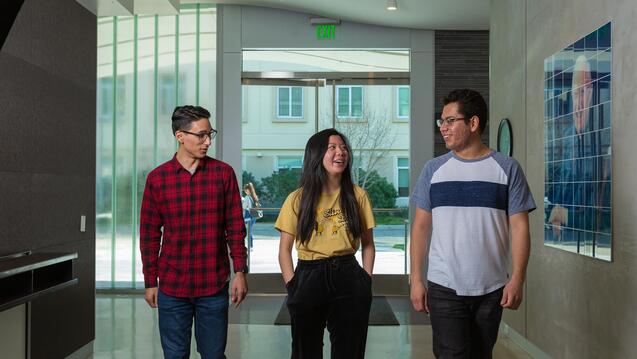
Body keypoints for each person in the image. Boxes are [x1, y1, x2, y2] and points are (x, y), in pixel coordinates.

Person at [410, 89, 536, 358]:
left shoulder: (507, 168)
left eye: (450, 121)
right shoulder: (433, 170)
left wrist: (517, 279)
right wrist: (416, 279)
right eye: (441, 122)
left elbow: (520, 228)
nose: (443, 128)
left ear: (473, 123)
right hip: (444, 285)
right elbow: (420, 228)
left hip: (491, 288)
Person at [140, 105, 248, 359]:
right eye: (201, 135)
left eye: (210, 134)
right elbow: (149, 235)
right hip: (172, 287)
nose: (208, 141)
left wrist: (240, 271)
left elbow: (235, 228)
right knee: (175, 355)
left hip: (213, 285)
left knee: (213, 355)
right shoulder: (157, 179)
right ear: (180, 136)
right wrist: (149, 281)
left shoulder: (223, 174)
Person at [276, 128, 376, 359]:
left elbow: (368, 244)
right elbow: (284, 250)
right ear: (316, 154)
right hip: (309, 275)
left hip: (348, 274)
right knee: (305, 350)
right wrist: (293, 286)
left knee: (350, 349)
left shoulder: (358, 195)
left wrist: (366, 279)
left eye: (343, 148)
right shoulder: (297, 198)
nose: (340, 153)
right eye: (332, 148)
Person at [242, 182, 261, 249]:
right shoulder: (254, 196)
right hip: (254, 215)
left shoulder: (247, 197)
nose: (246, 192)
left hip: (249, 216)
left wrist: (244, 203)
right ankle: (251, 246)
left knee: (248, 231)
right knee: (250, 230)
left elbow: (244, 206)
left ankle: (250, 246)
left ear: (249, 190)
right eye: (245, 190)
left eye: (246, 190)